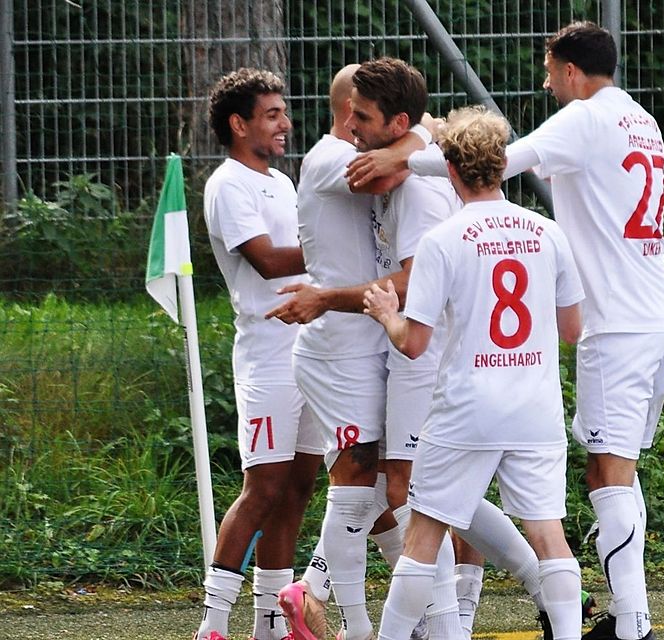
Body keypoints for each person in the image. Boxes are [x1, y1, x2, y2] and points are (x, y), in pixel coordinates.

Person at [347, 21, 664, 640]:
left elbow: (504, 158)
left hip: (608, 329)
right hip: (652, 312)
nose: (547, 81)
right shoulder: (640, 119)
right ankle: (612, 619)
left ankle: (632, 624)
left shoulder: (583, 119)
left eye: (551, 70)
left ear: (573, 72)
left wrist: (404, 155)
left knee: (605, 474)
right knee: (599, 484)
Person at [363, 105, 586, 640]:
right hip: (534, 407)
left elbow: (414, 344)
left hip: (467, 408)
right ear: (502, 164)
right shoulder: (548, 231)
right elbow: (573, 329)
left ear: (453, 169)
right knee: (548, 535)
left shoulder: (444, 239)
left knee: (423, 534)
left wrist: (387, 314)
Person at [269, 57, 463, 640]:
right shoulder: (332, 158)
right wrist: (426, 134)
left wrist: (421, 133)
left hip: (371, 343)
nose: (359, 127)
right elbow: (387, 175)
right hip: (343, 349)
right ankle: (336, 605)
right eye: (356, 115)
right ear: (347, 111)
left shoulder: (393, 163)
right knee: (375, 485)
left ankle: (342, 610)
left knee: (379, 488)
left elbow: (401, 166)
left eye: (370, 120)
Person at [196, 67, 325, 640]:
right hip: (267, 354)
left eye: (284, 112)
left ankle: (271, 623)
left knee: (300, 484)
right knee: (264, 485)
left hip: (309, 350)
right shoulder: (228, 184)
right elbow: (270, 262)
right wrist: (337, 245)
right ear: (238, 123)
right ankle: (211, 625)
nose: (285, 124)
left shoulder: (281, 181)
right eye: (271, 114)